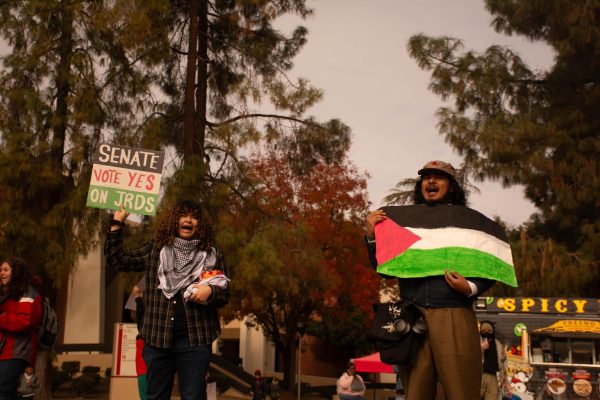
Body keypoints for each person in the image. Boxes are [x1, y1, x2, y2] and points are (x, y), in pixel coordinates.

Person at [365, 161, 496, 400]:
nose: (431, 181)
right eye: (426, 177)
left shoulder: (469, 222)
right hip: (413, 318)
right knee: (415, 393)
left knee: (462, 392)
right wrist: (372, 237)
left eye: (439, 177)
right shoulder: (404, 224)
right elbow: (384, 270)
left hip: (454, 314)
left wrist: (470, 287)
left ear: (452, 186)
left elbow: (492, 265)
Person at [105, 200, 230, 400]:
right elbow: (117, 259)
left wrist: (210, 292)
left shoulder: (212, 255)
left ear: (200, 224)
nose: (188, 220)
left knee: (193, 396)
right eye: (183, 215)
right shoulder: (155, 250)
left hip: (195, 342)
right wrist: (117, 222)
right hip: (157, 341)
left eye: (194, 216)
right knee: (155, 397)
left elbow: (224, 293)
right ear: (174, 221)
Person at [0, 257, 43, 400]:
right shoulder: (9, 296)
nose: (1, 273)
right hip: (5, 353)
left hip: (16, 353)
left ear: (16, 272)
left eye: (6, 270)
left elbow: (24, 321)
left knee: (4, 393)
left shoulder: (28, 294)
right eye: (0, 270)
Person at [125, 277, 147, 400]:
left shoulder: (143, 332)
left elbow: (140, 316)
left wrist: (138, 298)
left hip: (144, 371)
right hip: (149, 370)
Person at [480, 320, 507, 400]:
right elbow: (470, 357)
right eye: (483, 331)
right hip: (480, 376)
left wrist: (505, 381)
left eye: (489, 331)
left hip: (493, 376)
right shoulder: (476, 342)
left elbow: (504, 363)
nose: (486, 332)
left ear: (493, 331)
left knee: (493, 396)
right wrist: (481, 349)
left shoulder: (498, 345)